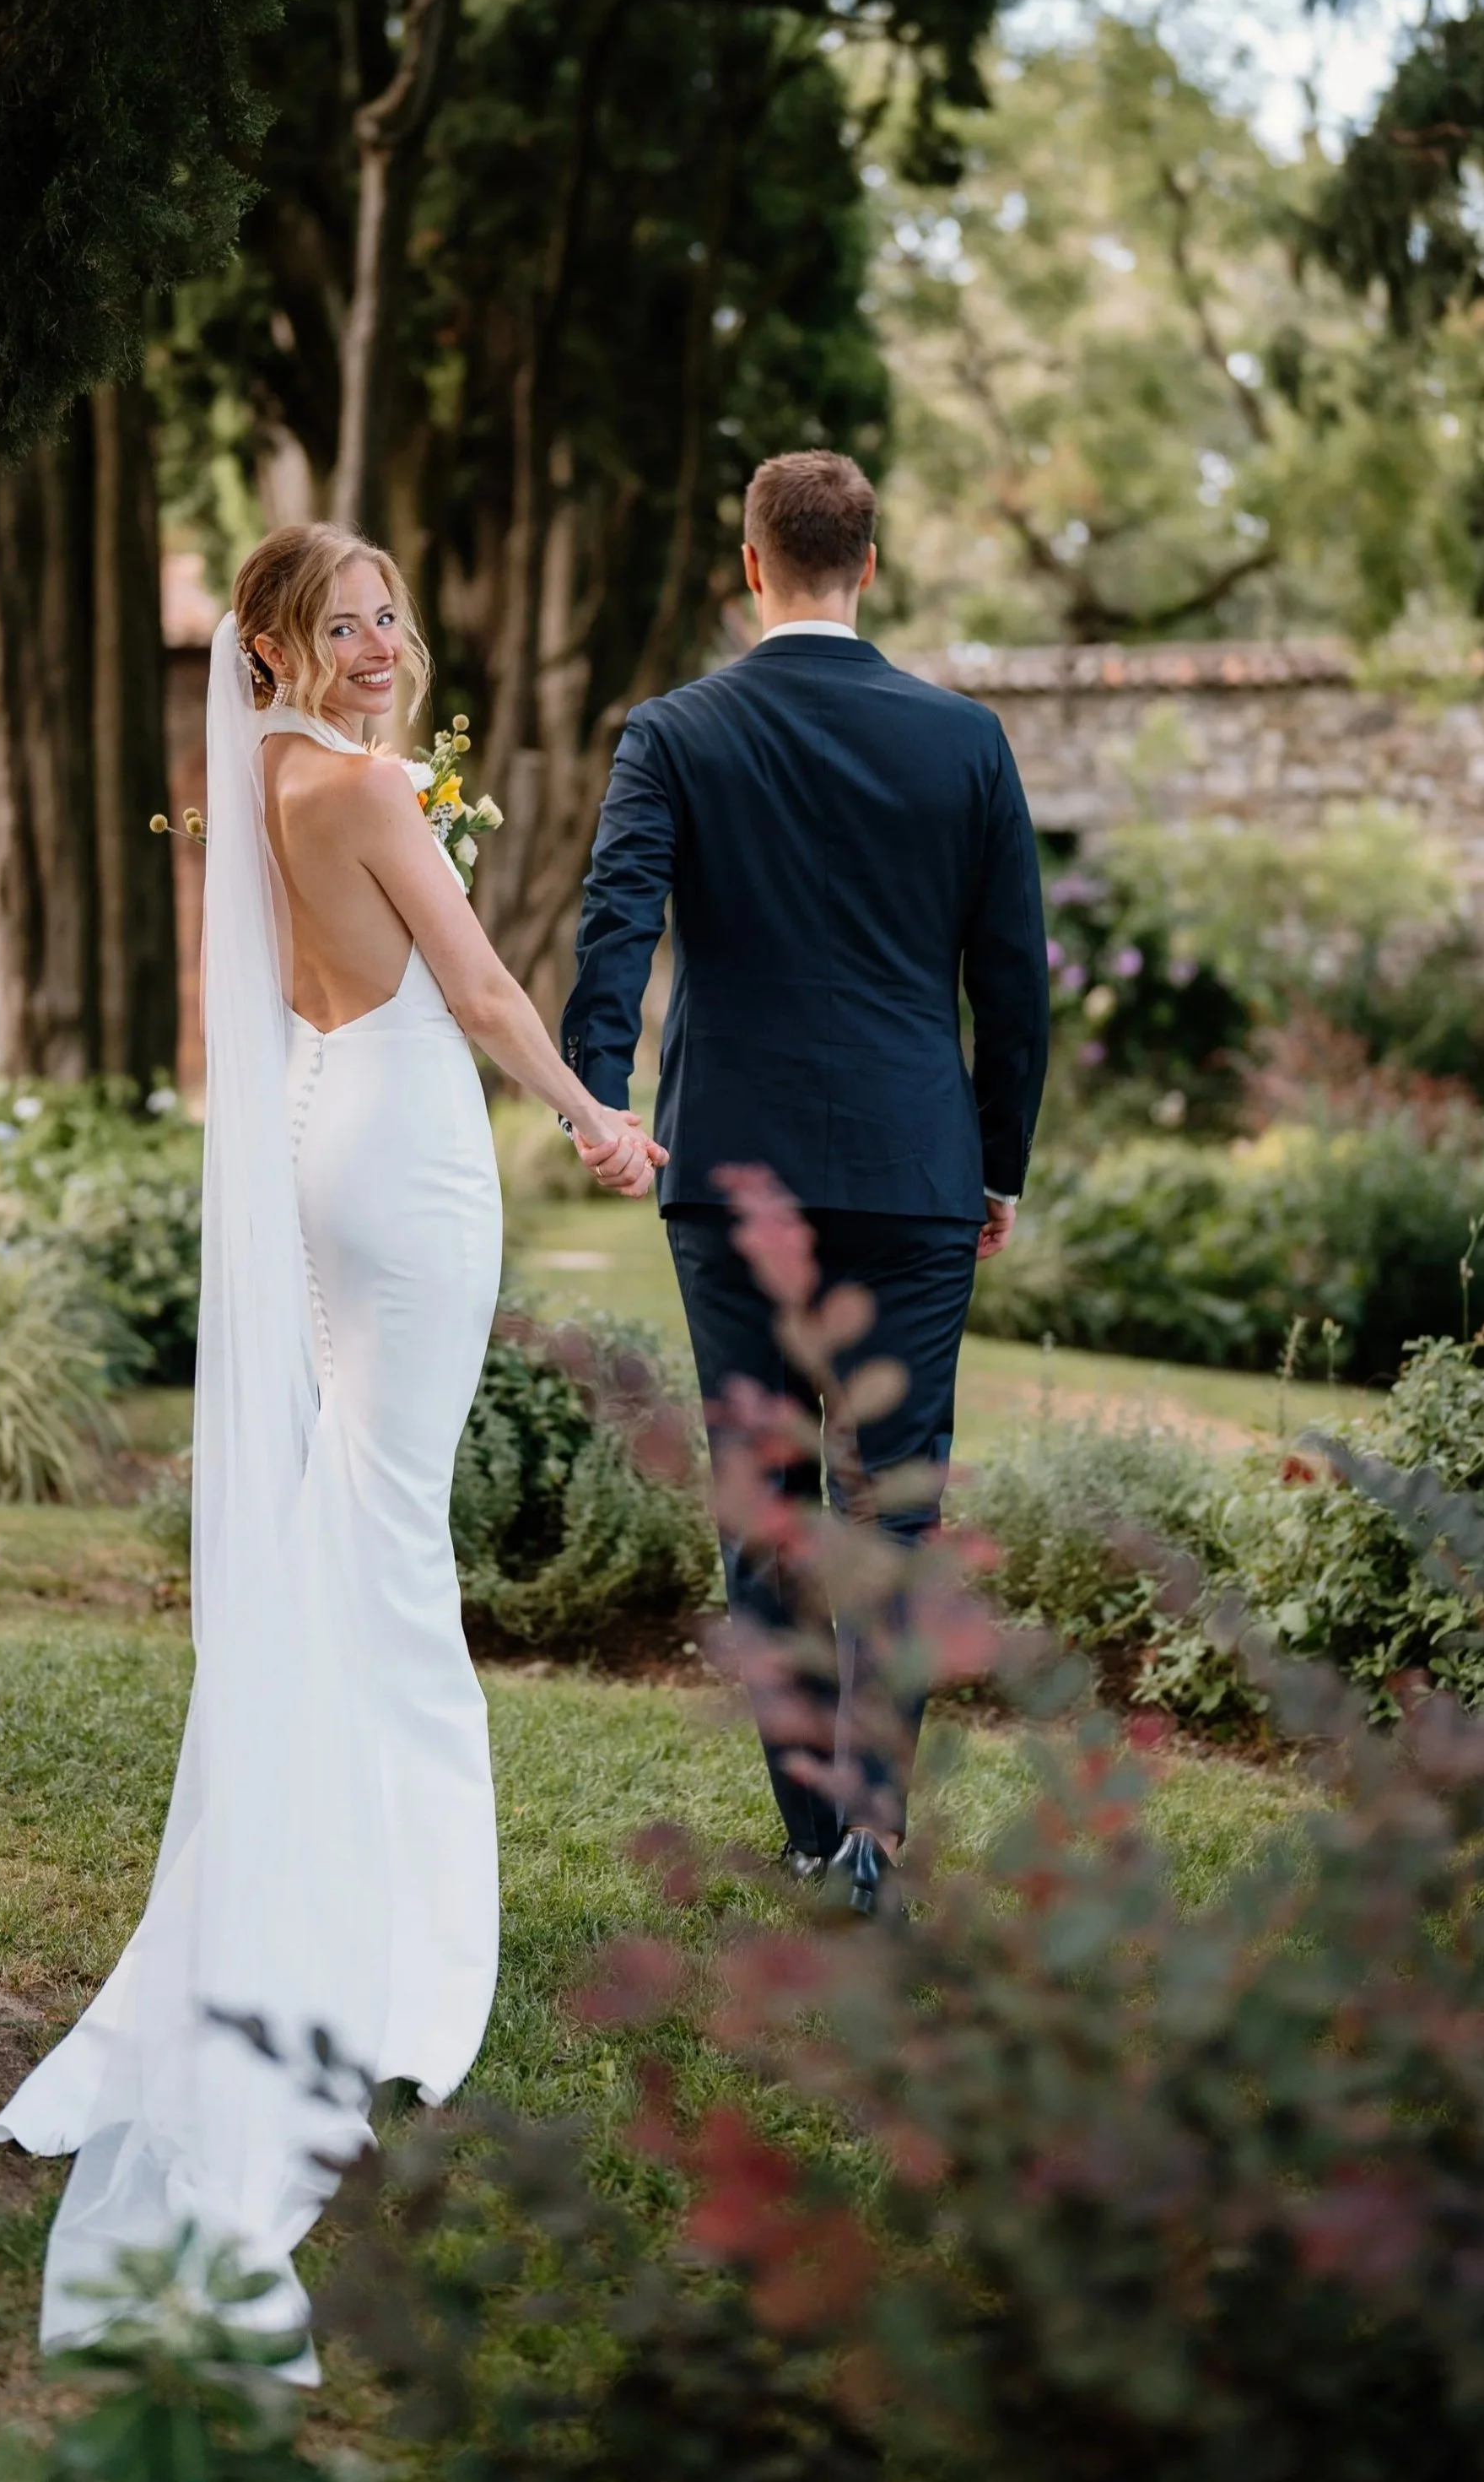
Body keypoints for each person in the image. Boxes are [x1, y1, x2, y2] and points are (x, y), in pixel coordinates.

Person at [0, 522, 661, 2368]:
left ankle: (318, 1879)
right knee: (390, 1544)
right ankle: (400, 1963)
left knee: (353, 1526)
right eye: (333, 622)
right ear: (271, 647)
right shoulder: (364, 786)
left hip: (321, 1132)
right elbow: (487, 989)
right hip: (407, 1151)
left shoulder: (270, 779)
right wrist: (599, 1119)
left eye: (384, 616)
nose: (374, 643)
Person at [561, 450, 1049, 1914]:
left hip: (731, 1175)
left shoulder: (673, 731)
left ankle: (804, 1830)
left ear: (752, 565)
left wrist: (600, 1095)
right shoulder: (963, 741)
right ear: (869, 567)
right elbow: (1011, 983)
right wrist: (997, 1159)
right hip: (914, 1174)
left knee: (766, 1501)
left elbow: (615, 919)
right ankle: (872, 1843)